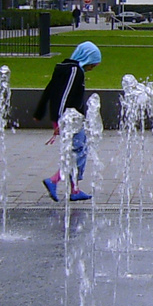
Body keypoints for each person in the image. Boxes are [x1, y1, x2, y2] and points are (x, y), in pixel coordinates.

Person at [34, 41, 102, 202]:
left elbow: (49, 91)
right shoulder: (74, 71)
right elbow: (63, 96)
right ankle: (54, 180)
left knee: (75, 151)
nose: (91, 69)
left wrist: (40, 112)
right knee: (79, 151)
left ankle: (75, 190)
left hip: (66, 118)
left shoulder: (63, 69)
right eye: (92, 65)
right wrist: (59, 121)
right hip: (70, 118)